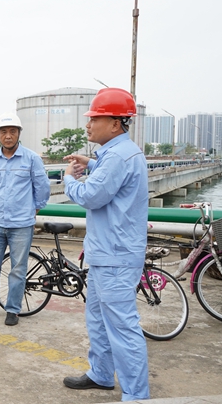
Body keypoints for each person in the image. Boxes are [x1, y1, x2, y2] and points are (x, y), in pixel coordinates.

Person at [62, 88, 150, 401]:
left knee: (122, 327)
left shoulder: (117, 156)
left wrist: (69, 179)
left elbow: (91, 196)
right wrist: (91, 163)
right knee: (98, 320)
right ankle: (100, 374)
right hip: (107, 254)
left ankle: (136, 394)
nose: (88, 125)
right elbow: (111, 178)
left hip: (115, 256)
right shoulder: (119, 154)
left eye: (94, 119)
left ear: (115, 124)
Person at [0, 113, 50, 326]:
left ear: (19, 134)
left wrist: (34, 208)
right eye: (3, 132)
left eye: (12, 131)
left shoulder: (31, 158)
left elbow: (42, 187)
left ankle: (13, 310)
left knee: (17, 269)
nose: (8, 136)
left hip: (21, 224)